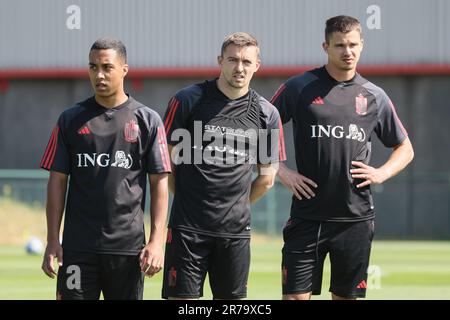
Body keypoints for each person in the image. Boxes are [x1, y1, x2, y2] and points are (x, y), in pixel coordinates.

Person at [271, 16, 414, 300]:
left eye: (352, 45)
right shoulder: (299, 87)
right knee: (294, 298)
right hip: (306, 217)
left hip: (355, 219)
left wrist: (381, 173)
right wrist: (280, 170)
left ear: (362, 45)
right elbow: (259, 127)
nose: (347, 51)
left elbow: (405, 148)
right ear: (326, 46)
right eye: (339, 45)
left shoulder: (374, 96)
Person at [40, 38, 171, 300]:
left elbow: (159, 183)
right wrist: (53, 239)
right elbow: (57, 181)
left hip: (127, 251)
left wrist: (156, 242)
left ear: (124, 69)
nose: (99, 74)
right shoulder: (70, 119)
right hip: (78, 249)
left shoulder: (148, 120)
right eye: (93, 67)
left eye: (107, 67)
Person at [161, 32, 286, 299]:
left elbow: (267, 177)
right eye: (232, 59)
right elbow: (165, 165)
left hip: (235, 233)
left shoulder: (267, 114)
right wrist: (189, 201)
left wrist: (236, 206)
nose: (239, 68)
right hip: (187, 230)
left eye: (246, 61)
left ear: (257, 65)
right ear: (220, 60)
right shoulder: (187, 100)